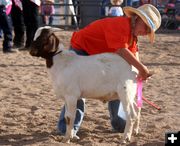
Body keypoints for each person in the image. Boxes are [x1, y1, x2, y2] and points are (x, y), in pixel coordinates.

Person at [57, 4, 161, 136]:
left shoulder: (132, 37)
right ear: (137, 18)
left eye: (148, 31)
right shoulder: (121, 25)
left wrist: (137, 75)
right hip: (82, 49)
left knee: (120, 85)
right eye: (146, 27)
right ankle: (65, 129)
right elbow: (122, 51)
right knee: (76, 90)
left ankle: (118, 122)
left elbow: (134, 58)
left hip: (100, 57)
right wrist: (142, 69)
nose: (145, 32)